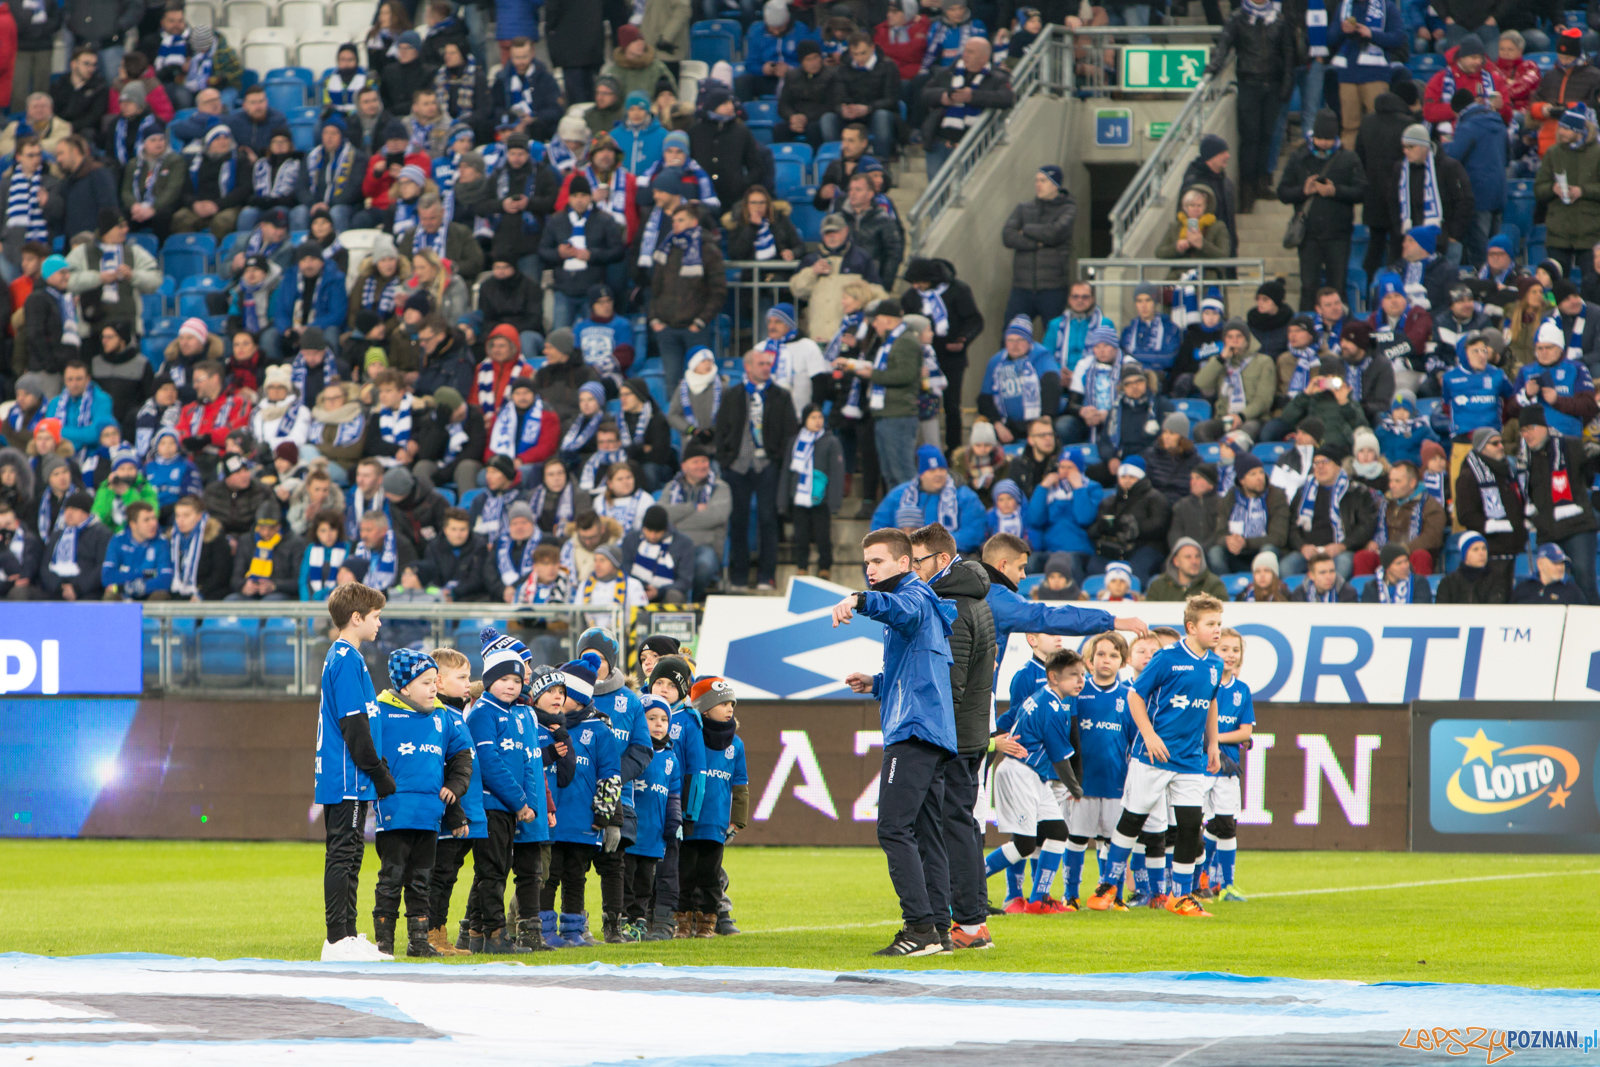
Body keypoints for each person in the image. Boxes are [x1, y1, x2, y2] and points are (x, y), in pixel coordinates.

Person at [833, 528, 958, 956]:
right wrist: (877, 682)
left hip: (913, 730)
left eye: (878, 561)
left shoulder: (913, 595)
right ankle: (939, 930)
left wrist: (859, 600)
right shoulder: (923, 601)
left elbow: (899, 610)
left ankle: (919, 930)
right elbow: (918, 672)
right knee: (927, 834)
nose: (869, 569)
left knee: (893, 827)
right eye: (866, 562)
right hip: (932, 731)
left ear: (904, 563)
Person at [1084, 594, 1224, 917]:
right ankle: (1108, 886)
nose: (1217, 629)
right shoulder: (1167, 658)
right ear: (1191, 627)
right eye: (1211, 624)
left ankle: (1181, 896)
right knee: (1133, 819)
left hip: (1189, 759)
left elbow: (1211, 701)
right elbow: (1135, 695)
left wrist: (1213, 744)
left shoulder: (1215, 664)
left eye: (1219, 623)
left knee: (1191, 824)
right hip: (1153, 755)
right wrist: (1148, 735)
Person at [315, 583, 397, 961]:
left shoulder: (347, 657)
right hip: (347, 776)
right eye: (375, 616)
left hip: (352, 775)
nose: (379, 623)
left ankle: (347, 934)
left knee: (351, 856)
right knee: (343, 855)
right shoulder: (346, 658)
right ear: (356, 617)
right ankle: (336, 939)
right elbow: (353, 724)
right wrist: (377, 770)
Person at [713, 346, 797, 590]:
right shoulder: (732, 395)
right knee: (738, 521)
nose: (766, 368)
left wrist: (777, 458)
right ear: (748, 367)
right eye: (761, 364)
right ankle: (738, 577)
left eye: (768, 364)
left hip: (767, 466)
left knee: (768, 520)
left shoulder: (781, 396)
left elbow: (790, 431)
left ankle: (766, 576)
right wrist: (725, 460)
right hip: (736, 468)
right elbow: (721, 429)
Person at [1207, 0, 1295, 214]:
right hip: (1249, 84)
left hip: (1273, 85)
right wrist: (1213, 67)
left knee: (1267, 136)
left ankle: (1262, 183)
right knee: (1250, 138)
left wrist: (1287, 84)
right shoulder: (1238, 19)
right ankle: (1246, 191)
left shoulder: (1279, 20)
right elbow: (1224, 45)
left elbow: (1288, 54)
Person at [1278, 109, 1367, 312]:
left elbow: (1362, 191)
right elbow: (1283, 192)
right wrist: (1303, 191)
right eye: (1320, 139)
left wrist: (1336, 191)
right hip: (1309, 235)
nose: (1324, 143)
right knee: (1309, 286)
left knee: (1337, 286)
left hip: (1339, 234)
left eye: (1328, 139)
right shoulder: (1299, 158)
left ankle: (1340, 325)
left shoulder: (1348, 159)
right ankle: (1307, 324)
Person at [1517, 405, 1598, 605]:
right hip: (1548, 532)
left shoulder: (1570, 446)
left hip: (1578, 528)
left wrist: (1596, 454)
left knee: (1583, 578)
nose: (1527, 434)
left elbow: (1591, 472)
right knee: (1548, 584)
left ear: (1544, 426)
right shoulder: (1524, 461)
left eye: (1531, 428)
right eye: (1523, 430)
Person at [648, 201, 727, 393]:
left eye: (681, 220)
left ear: (694, 222)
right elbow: (655, 288)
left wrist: (700, 321)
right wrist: (655, 318)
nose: (675, 224)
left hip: (695, 329)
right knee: (671, 383)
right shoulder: (666, 248)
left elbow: (718, 291)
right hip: (667, 327)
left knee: (702, 382)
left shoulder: (708, 250)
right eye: (674, 220)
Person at [920, 36, 1013, 179]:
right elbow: (924, 94)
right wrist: (942, 96)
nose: (965, 55)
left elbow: (1007, 98)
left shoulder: (997, 77)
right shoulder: (947, 73)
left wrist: (973, 97)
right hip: (940, 142)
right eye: (965, 51)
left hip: (974, 145)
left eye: (971, 52)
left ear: (984, 58)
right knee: (935, 186)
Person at [1001, 165, 1076, 329]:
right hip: (1022, 287)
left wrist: (1025, 229)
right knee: (1011, 334)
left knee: (1054, 335)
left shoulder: (1068, 209)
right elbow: (1008, 236)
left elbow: (1053, 233)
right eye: (1036, 181)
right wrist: (1036, 243)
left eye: (1043, 181)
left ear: (1055, 185)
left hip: (1053, 288)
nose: (1038, 185)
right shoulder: (1023, 208)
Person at [1535, 103, 1600, 291]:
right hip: (1558, 232)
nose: (1560, 131)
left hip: (1590, 233)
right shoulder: (1553, 153)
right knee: (1555, 287)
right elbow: (1539, 188)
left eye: (1566, 128)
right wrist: (1553, 189)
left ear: (1579, 131)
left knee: (1593, 287)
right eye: (1561, 127)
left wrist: (1583, 191)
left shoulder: (1597, 153)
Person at [1325, 0, 1406, 148]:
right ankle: (1349, 161)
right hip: (1347, 74)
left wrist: (1371, 34)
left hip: (1376, 75)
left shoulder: (1387, 7)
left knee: (1379, 125)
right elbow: (1330, 38)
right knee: (1349, 126)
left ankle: (1377, 161)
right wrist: (1342, 30)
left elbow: (1399, 38)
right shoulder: (1343, 7)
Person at [1181, 134, 1237, 257]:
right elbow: (1184, 217)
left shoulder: (1226, 183)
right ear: (1211, 156)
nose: (1228, 156)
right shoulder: (1194, 182)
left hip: (1225, 252)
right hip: (1201, 256)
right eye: (1222, 152)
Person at [1513, 542, 1583, 604]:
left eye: (1562, 563)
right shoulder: (1522, 589)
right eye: (1555, 563)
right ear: (1540, 564)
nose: (1560, 568)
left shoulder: (1572, 591)